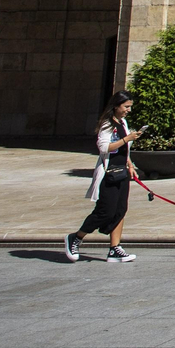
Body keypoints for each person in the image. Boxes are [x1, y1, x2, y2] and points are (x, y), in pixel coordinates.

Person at [66, 91, 139, 263]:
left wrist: (129, 164)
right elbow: (104, 148)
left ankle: (115, 248)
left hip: (121, 173)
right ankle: (76, 237)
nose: (129, 110)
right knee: (105, 212)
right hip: (108, 174)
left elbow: (123, 149)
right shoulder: (107, 124)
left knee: (121, 210)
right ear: (116, 106)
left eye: (130, 107)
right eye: (126, 107)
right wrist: (127, 138)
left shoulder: (123, 123)